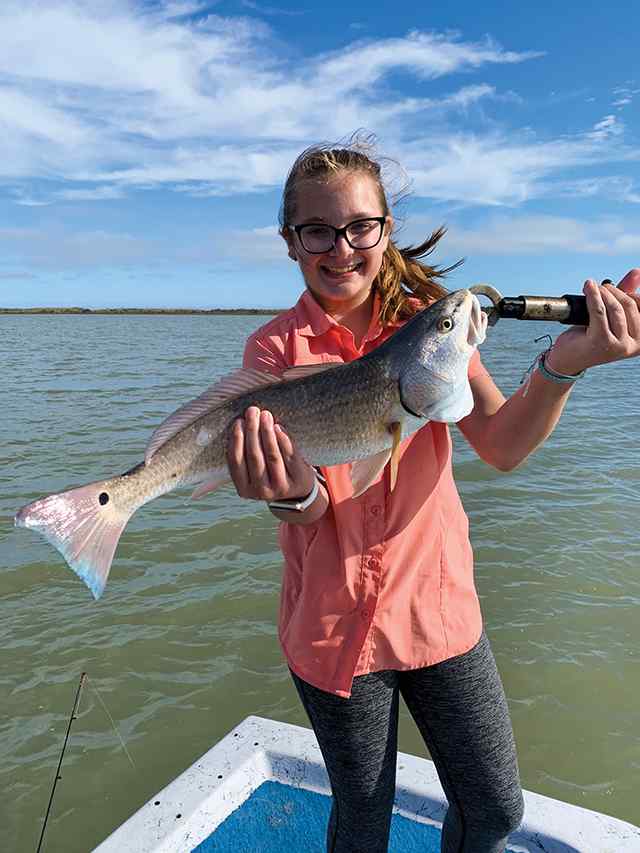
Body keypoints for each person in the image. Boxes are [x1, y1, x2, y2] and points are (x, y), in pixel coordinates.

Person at [226, 140, 640, 853]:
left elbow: (503, 444)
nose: (342, 246)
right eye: (318, 230)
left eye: (361, 225)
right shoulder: (273, 353)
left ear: (386, 229)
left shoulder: (428, 328)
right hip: (334, 631)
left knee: (496, 807)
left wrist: (564, 365)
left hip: (441, 612)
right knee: (361, 820)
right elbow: (315, 507)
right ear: (290, 242)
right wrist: (288, 492)